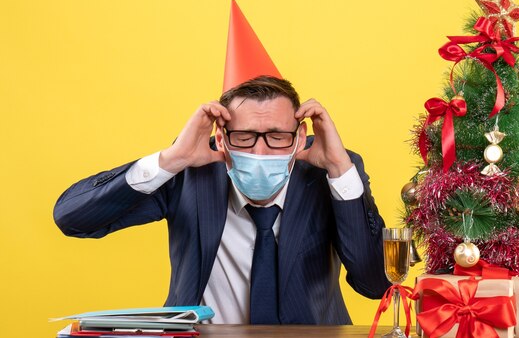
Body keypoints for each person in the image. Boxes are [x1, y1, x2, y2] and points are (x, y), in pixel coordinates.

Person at [54, 75, 389, 325]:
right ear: (221, 138)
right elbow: (71, 217)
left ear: (300, 136)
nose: (260, 152)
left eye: (277, 136)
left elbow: (375, 283)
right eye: (243, 137)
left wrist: (339, 169)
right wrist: (170, 160)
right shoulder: (190, 173)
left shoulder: (328, 171)